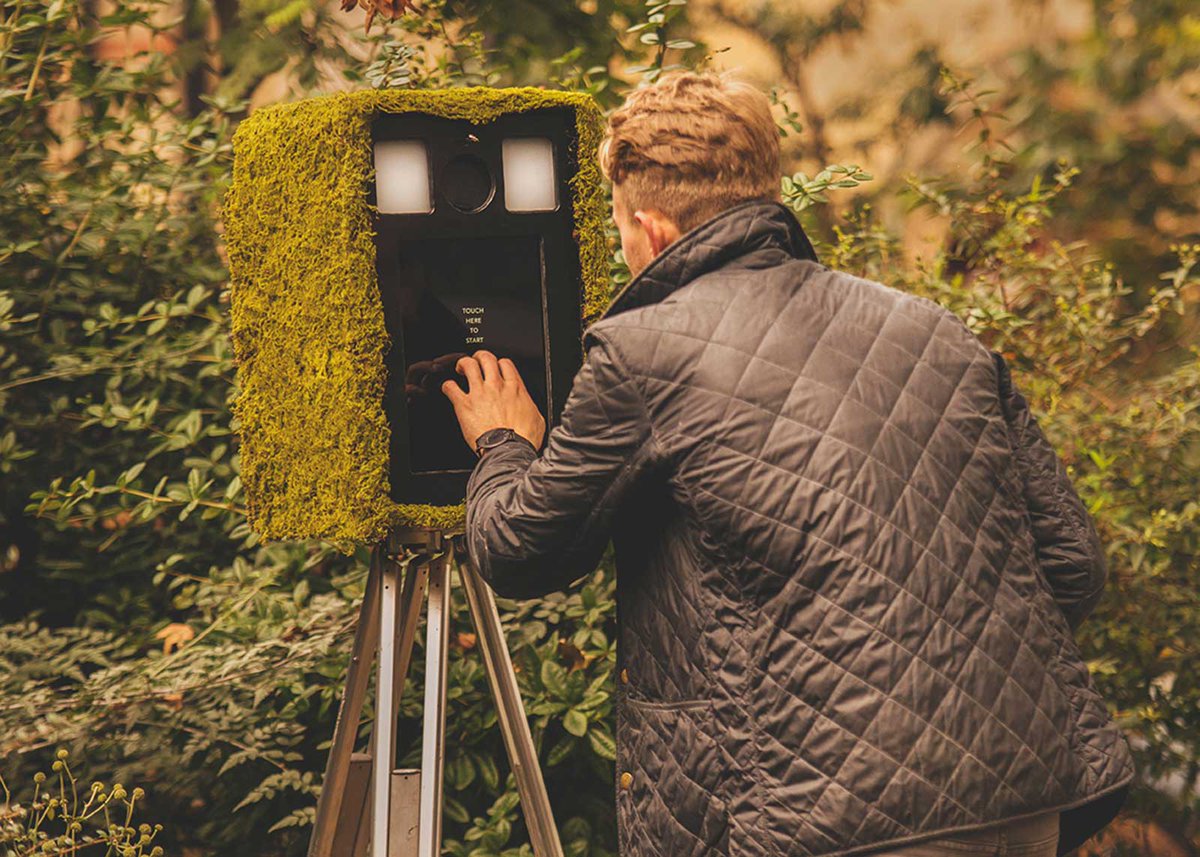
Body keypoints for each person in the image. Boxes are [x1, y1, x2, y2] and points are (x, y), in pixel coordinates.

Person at [440, 70, 1133, 857]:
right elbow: (1073, 567)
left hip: (826, 822)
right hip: (1019, 798)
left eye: (621, 230)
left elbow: (519, 550)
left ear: (655, 230)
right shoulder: (935, 331)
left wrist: (504, 444)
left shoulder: (643, 351)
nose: (625, 249)